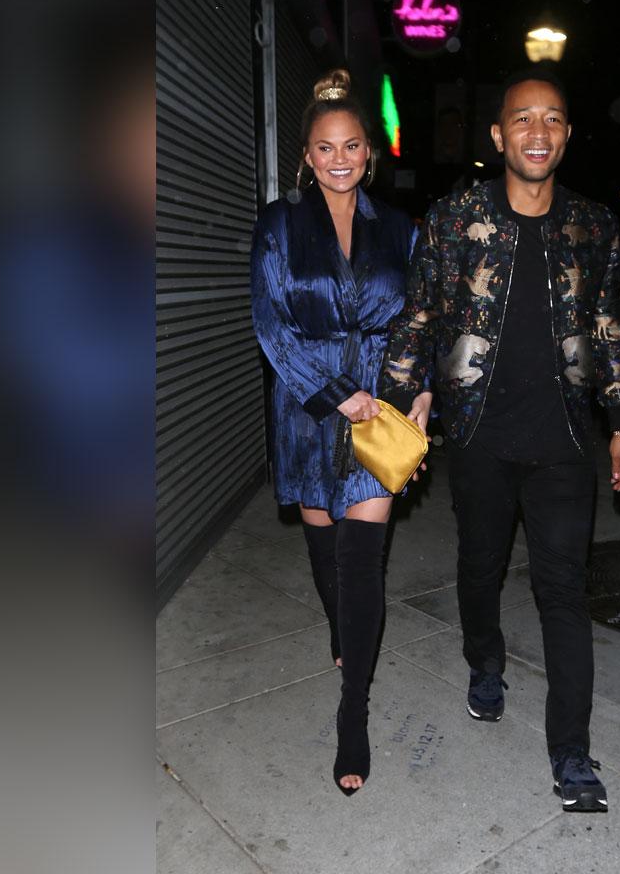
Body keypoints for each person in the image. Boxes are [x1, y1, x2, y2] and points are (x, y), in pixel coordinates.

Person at [381, 67, 620, 813]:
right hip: (479, 436)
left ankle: (572, 756)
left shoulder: (594, 226)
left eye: (552, 119)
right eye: (522, 119)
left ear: (566, 136)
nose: (537, 131)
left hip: (564, 443)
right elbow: (420, 317)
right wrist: (397, 408)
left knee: (563, 591)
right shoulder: (456, 218)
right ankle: (484, 664)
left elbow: (611, 329)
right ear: (498, 136)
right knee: (481, 566)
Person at [249, 69, 416, 795]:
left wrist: (420, 391)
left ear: (367, 154)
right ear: (307, 157)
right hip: (306, 408)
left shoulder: (402, 229)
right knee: (325, 559)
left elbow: (419, 322)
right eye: (326, 148)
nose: (340, 158)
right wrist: (334, 394)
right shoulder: (279, 224)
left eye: (352, 146)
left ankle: (355, 716)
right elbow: (269, 323)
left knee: (360, 563)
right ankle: (342, 633)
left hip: (380, 413)